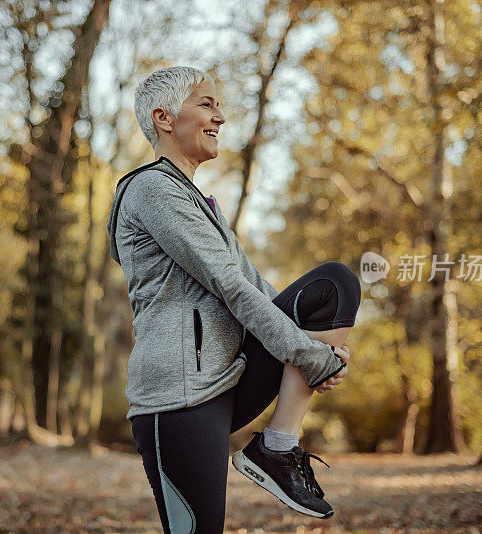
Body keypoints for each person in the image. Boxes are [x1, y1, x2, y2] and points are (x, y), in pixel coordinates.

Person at [106, 66, 361, 533]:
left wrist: (320, 355)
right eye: (206, 104)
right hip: (176, 399)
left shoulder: (198, 202)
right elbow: (231, 286)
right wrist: (308, 356)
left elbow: (260, 290)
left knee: (334, 286)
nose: (220, 116)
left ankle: (278, 447)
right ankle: (276, 447)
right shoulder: (150, 188)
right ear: (163, 118)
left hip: (228, 374)